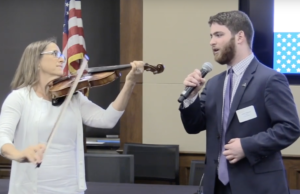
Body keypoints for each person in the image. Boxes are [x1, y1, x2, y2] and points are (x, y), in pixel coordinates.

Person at [0, 38, 145, 194]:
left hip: (70, 187)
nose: (62, 58)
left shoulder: (73, 97)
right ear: (36, 61)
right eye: (55, 53)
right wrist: (20, 154)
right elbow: (2, 138)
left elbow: (107, 120)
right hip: (31, 188)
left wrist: (130, 83)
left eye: (61, 54)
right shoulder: (19, 98)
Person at [179, 10, 300, 194]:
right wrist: (191, 97)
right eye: (211, 36)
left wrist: (247, 146)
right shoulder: (213, 84)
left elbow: (290, 128)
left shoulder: (270, 79)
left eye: (219, 35)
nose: (212, 41)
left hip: (257, 186)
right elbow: (194, 126)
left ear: (240, 36)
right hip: (217, 186)